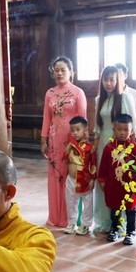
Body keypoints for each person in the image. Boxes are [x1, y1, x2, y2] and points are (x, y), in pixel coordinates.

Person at [41, 56, 87, 228]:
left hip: (72, 141)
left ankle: (72, 218)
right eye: (56, 70)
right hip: (54, 142)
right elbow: (47, 118)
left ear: (71, 72)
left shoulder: (78, 92)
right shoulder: (49, 93)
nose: (59, 73)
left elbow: (83, 120)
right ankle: (55, 216)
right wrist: (43, 140)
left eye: (63, 70)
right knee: (55, 177)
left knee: (72, 177)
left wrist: (80, 143)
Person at [93, 65, 136, 233]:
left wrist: (131, 148)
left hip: (121, 147)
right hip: (104, 145)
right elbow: (98, 126)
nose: (108, 83)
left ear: (118, 80)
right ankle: (105, 222)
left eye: (112, 79)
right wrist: (94, 147)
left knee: (120, 182)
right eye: (105, 79)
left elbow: (133, 126)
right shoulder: (99, 99)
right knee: (104, 181)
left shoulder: (125, 97)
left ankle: (121, 224)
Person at [98, 114, 136, 245]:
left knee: (130, 210)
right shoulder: (109, 148)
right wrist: (101, 180)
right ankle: (114, 230)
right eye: (119, 129)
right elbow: (103, 166)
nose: (122, 133)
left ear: (131, 131)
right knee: (115, 209)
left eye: (126, 130)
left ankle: (131, 232)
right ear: (114, 129)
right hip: (113, 186)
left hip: (130, 186)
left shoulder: (134, 148)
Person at [63, 116, 96, 235]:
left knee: (88, 202)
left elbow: (93, 164)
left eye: (78, 129)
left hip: (85, 179)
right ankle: (72, 222)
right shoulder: (70, 145)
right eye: (72, 130)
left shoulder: (90, 148)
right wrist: (67, 149)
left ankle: (85, 224)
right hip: (71, 179)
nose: (75, 133)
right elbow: (64, 159)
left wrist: (92, 179)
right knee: (71, 201)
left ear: (85, 129)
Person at [115, 62, 136, 134]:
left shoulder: (135, 94)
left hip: (129, 133)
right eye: (114, 75)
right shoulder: (110, 94)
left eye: (119, 75)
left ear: (125, 76)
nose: (116, 78)